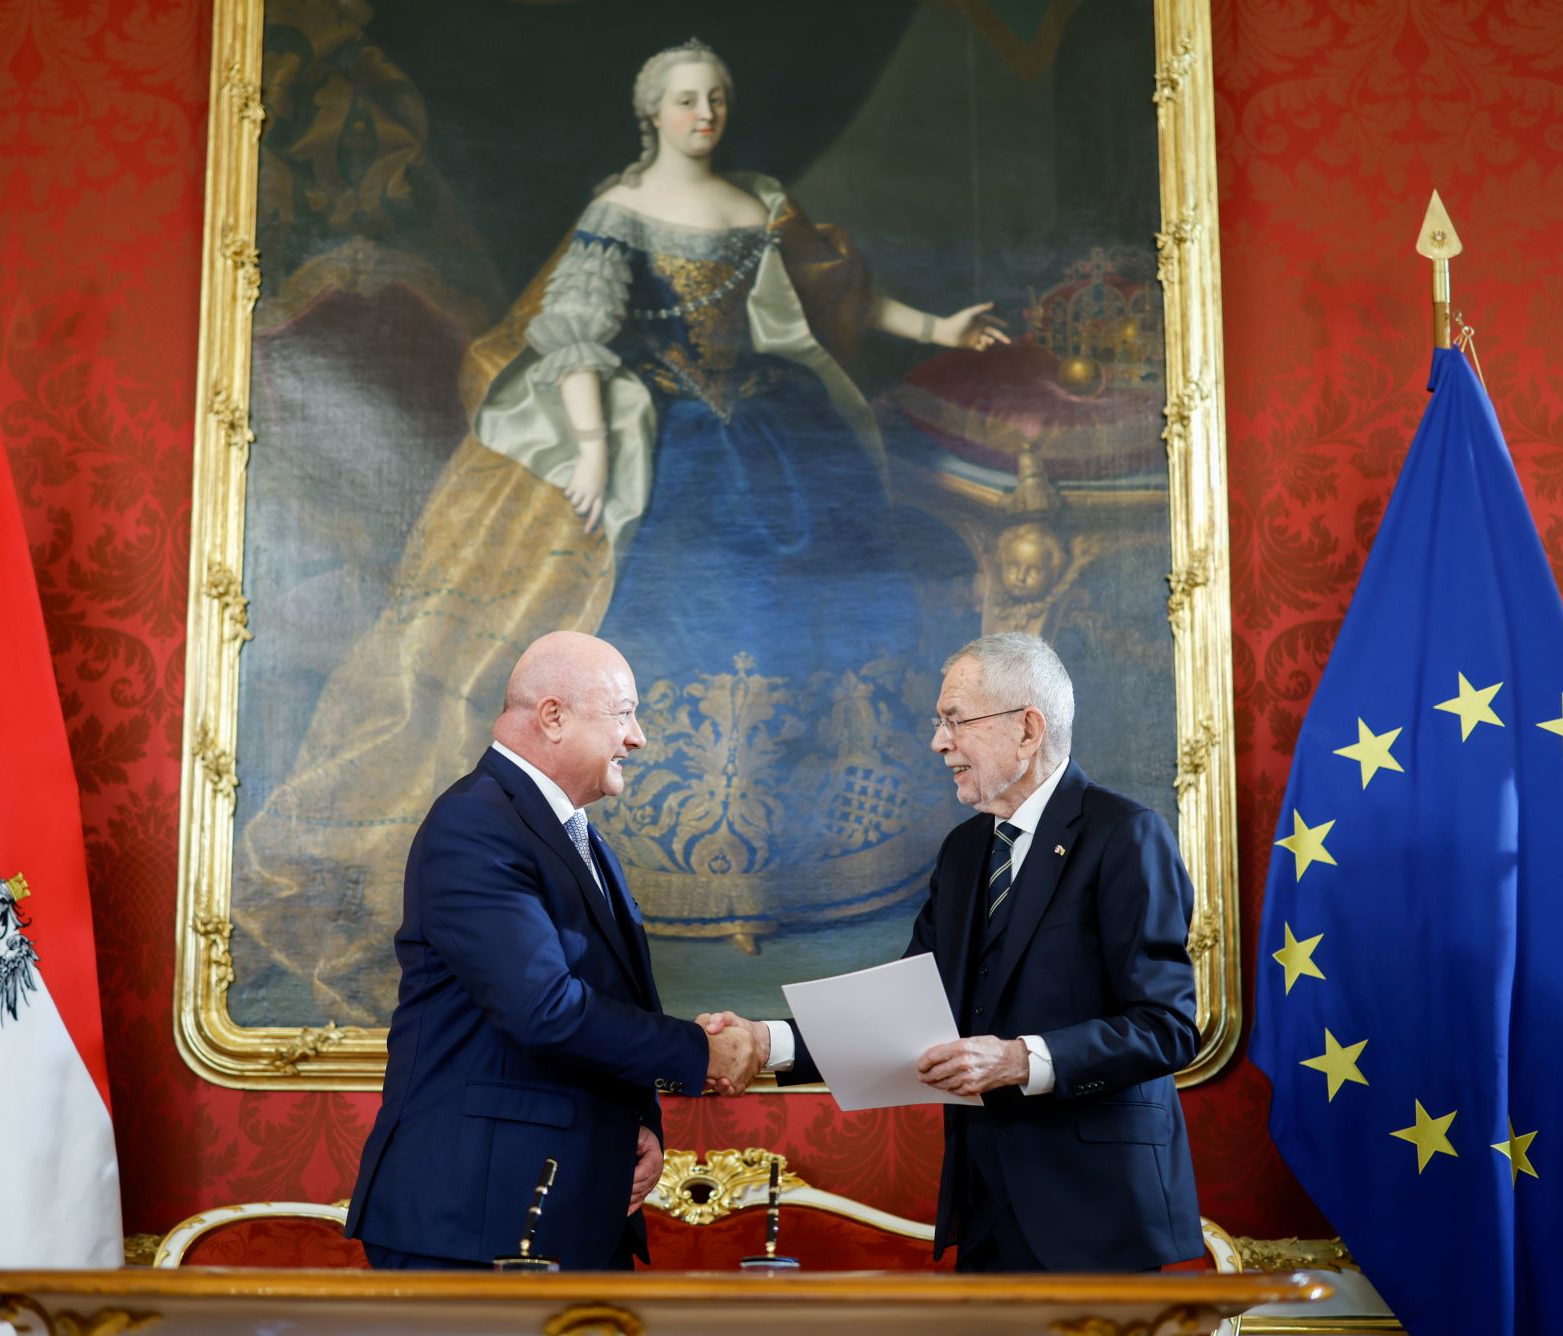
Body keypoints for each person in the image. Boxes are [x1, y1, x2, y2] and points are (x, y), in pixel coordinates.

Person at [235, 38, 1006, 1019]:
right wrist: (596, 453)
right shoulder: (621, 210)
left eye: (715, 97)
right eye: (684, 99)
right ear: (652, 113)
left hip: (775, 420)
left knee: (832, 586)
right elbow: (573, 337)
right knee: (689, 582)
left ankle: (814, 860)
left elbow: (835, 298)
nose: (703, 114)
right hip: (663, 434)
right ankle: (662, 865)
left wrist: (938, 330)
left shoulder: (761, 201)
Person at [703, 632, 1202, 1272]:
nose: (939, 743)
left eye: (955, 721)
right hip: (986, 1205)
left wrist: (1021, 1060)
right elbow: (903, 1012)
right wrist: (764, 1042)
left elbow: (1167, 1027)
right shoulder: (965, 853)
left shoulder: (1126, 836)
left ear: (1027, 729)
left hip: (1101, 1214)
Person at [345, 630, 760, 1271]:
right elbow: (544, 1009)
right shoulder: (475, 823)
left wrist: (636, 1124)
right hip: (475, 1221)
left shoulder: (573, 835)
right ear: (553, 716)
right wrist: (701, 1052)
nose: (638, 737)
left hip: (560, 1209)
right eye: (624, 714)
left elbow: (606, 999)